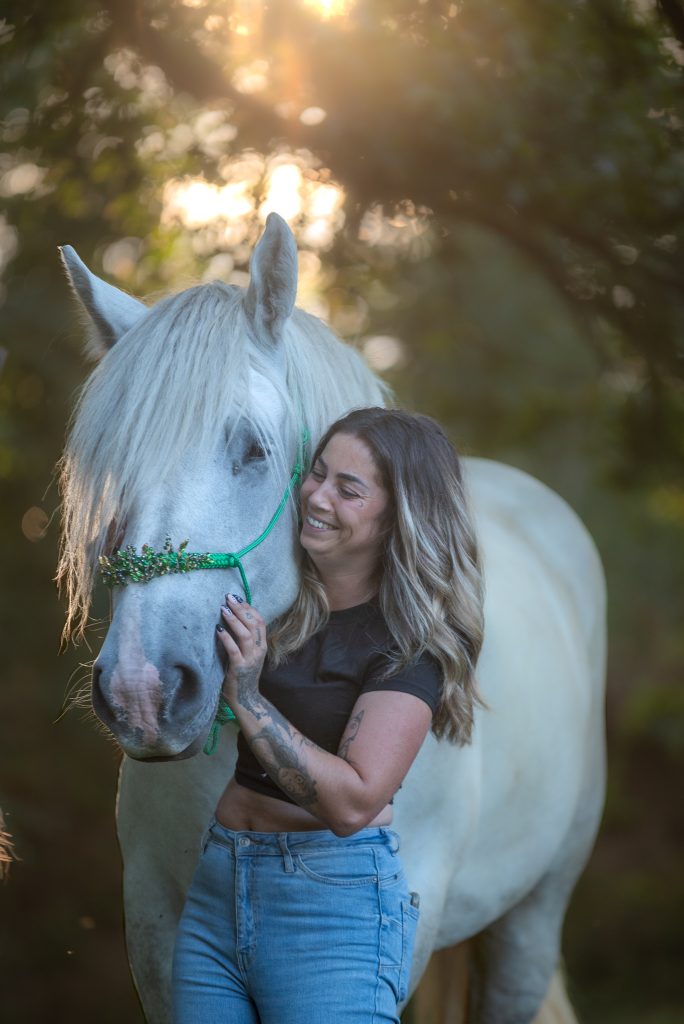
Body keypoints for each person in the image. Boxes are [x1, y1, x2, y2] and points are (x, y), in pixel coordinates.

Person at [171, 407, 485, 1024]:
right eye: (317, 474)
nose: (316, 496)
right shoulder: (272, 601)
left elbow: (353, 803)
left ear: (400, 517)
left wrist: (249, 697)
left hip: (330, 910)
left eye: (349, 489)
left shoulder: (410, 644)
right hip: (217, 885)